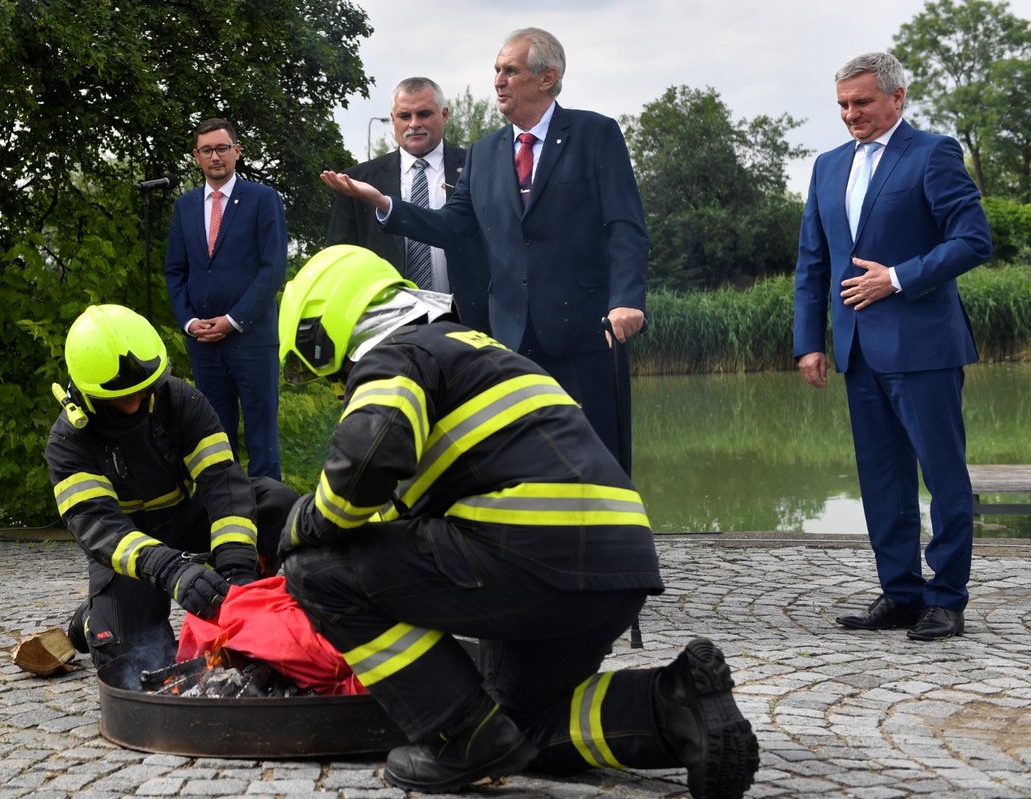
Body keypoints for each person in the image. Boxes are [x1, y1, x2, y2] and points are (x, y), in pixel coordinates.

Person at [274, 245, 757, 797]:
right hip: (615, 566)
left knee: (315, 568)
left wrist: (300, 527)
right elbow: (398, 514)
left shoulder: (396, 353)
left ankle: (458, 738)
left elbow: (364, 465)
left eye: (330, 374)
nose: (339, 388)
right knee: (517, 730)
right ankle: (678, 706)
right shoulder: (479, 351)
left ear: (328, 330)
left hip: (528, 551)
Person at [320, 28, 648, 462]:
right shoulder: (485, 152)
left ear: (546, 78)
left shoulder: (595, 133)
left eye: (510, 71)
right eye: (496, 70)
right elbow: (452, 226)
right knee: (526, 453)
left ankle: (614, 531)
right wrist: (384, 203)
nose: (498, 80)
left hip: (587, 328)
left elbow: (624, 226)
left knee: (599, 450)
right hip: (511, 333)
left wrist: (626, 300)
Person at [792, 53, 992, 642]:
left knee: (943, 477)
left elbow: (974, 239)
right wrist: (809, 342)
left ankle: (946, 598)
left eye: (862, 102)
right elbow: (813, 262)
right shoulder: (828, 167)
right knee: (882, 480)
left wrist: (898, 277)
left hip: (924, 345)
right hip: (856, 349)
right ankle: (901, 594)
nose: (851, 114)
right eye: (843, 105)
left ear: (897, 98)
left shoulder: (932, 153)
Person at [45, 304, 297, 668]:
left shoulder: (181, 400)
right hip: (128, 550)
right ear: (88, 392)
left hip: (187, 520)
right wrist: (171, 570)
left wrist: (237, 569)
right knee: (133, 660)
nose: (134, 403)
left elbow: (224, 485)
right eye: (120, 398)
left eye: (143, 390)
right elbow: (102, 529)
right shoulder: (69, 442)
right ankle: (90, 619)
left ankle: (238, 602)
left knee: (277, 501)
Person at [165, 117, 288, 481]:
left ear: (237, 151)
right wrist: (188, 322)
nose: (215, 157)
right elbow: (176, 271)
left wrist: (233, 320)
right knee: (215, 438)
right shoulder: (185, 207)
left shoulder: (263, 200)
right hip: (203, 341)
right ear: (196, 156)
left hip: (251, 338)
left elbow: (272, 268)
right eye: (207, 150)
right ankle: (227, 516)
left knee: (261, 438)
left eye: (222, 148)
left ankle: (269, 522)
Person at [327, 76, 489, 332]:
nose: (414, 124)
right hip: (387, 328)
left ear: (444, 114)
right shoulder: (357, 181)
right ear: (393, 119)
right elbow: (342, 260)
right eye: (405, 116)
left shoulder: (479, 168)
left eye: (424, 114)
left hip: (468, 324)